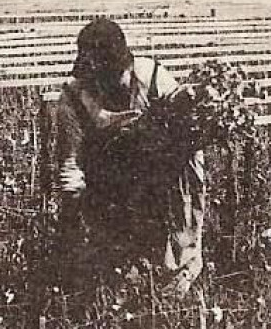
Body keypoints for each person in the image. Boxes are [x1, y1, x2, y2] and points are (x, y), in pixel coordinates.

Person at [55, 18, 206, 283]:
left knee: (175, 263)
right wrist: (74, 206)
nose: (106, 85)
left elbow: (189, 147)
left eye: (113, 76)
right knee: (118, 264)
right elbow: (71, 159)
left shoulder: (155, 79)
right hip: (108, 184)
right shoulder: (73, 97)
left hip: (164, 182)